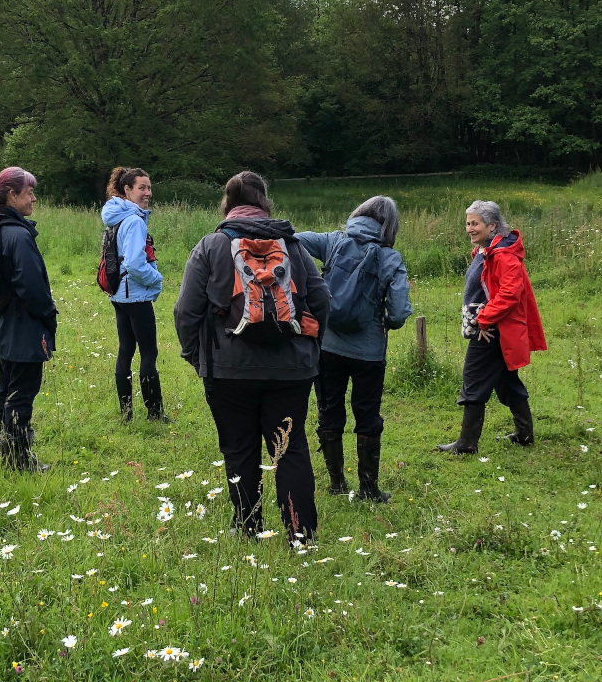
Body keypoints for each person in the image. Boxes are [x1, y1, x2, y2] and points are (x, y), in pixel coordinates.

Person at [174, 171, 330, 541]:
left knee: (239, 448)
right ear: (264, 202)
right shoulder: (292, 246)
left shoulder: (211, 245)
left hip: (228, 371)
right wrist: (310, 347)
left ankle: (247, 528)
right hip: (291, 369)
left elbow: (185, 311)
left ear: (227, 205)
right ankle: (301, 535)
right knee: (290, 448)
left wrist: (197, 357)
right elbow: (322, 301)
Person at [297, 196, 412, 503]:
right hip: (369, 351)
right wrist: (385, 321)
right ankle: (368, 489)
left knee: (329, 410)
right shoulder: (390, 258)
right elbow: (400, 313)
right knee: (367, 414)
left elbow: (292, 238)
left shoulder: (333, 242)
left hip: (328, 346)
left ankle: (336, 483)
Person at [438, 199, 547, 455]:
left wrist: (484, 319)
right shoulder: (488, 250)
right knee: (506, 380)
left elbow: (510, 293)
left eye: (475, 223)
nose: (469, 228)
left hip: (493, 329)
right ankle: (524, 434)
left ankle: (466, 444)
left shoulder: (504, 255)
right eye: (467, 223)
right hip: (491, 326)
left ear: (492, 225)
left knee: (473, 379)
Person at [0, 167, 57, 472]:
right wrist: (49, 315)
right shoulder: (18, 234)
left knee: (5, 387)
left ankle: (4, 448)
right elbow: (31, 286)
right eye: (29, 192)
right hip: (23, 327)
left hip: (2, 324)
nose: (33, 198)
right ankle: (20, 460)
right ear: (12, 195)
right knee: (21, 393)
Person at [101, 167, 167, 421]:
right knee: (149, 352)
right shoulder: (135, 221)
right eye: (142, 188)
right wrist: (157, 279)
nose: (147, 193)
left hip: (118, 294)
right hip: (136, 295)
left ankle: (126, 412)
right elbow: (135, 263)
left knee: (126, 350)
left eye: (149, 187)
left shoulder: (116, 216)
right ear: (127, 190)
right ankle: (155, 413)